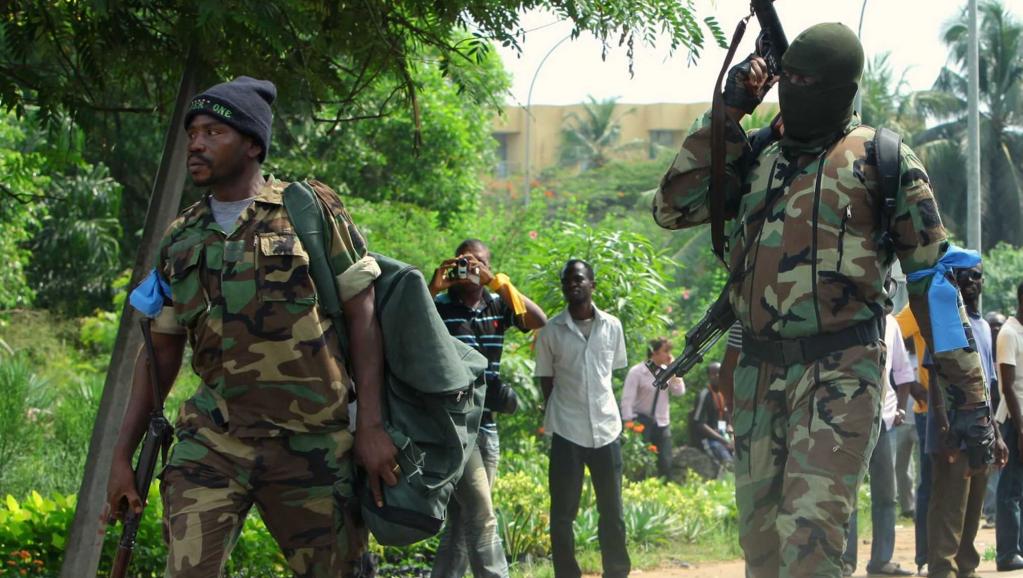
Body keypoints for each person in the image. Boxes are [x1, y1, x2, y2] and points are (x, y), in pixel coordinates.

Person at [653, 22, 995, 577]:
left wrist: (972, 404)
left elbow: (934, 285)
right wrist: (727, 115)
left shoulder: (884, 160)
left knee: (809, 543)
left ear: (841, 90)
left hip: (841, 371)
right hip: (759, 373)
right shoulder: (758, 152)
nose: (794, 89)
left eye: (807, 81)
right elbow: (672, 207)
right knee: (762, 550)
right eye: (787, 78)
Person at [103, 77, 394, 577]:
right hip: (214, 443)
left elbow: (363, 317)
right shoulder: (182, 237)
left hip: (312, 447)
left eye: (213, 132)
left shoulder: (308, 212)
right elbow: (160, 353)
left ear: (253, 144)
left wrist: (370, 425)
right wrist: (121, 456)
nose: (196, 142)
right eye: (192, 131)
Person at [428, 239, 547, 578]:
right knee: (482, 514)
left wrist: (496, 281)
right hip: (453, 424)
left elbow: (539, 320)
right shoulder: (439, 305)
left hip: (487, 425)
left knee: (463, 519)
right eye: (464, 262)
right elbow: (407, 323)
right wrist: (433, 285)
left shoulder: (498, 303)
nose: (471, 268)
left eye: (477, 262)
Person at [535, 259, 630, 578]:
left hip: (606, 429)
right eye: (566, 281)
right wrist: (559, 412)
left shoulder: (612, 326)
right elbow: (546, 380)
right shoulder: (551, 331)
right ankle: (567, 573)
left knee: (612, 511)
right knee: (563, 514)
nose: (572, 285)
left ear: (592, 284)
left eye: (578, 279)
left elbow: (610, 372)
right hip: (567, 430)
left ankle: (616, 571)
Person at [925, 263, 1007, 578]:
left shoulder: (985, 327)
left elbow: (987, 386)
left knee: (972, 509)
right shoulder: (945, 322)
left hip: (981, 430)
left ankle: (967, 570)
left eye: (977, 275)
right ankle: (942, 571)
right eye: (964, 275)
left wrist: (996, 434)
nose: (972, 281)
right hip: (952, 431)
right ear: (953, 281)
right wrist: (944, 427)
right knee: (949, 507)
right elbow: (933, 377)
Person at [842, 314, 915, 577]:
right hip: (849, 419)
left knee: (887, 494)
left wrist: (902, 411)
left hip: (884, 418)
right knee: (847, 493)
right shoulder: (848, 315)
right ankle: (845, 561)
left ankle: (881, 560)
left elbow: (903, 371)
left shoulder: (891, 323)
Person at [895, 306, 935, 573]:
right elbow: (888, 337)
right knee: (929, 485)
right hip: (928, 410)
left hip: (960, 408)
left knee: (954, 487)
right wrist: (910, 382)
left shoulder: (961, 305)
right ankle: (925, 557)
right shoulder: (919, 303)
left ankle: (949, 553)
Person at [620, 337, 686, 478]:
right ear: (654, 352)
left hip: (662, 422)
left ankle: (666, 489)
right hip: (641, 421)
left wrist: (674, 371)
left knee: (665, 460)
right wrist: (628, 423)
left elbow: (679, 392)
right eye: (665, 351)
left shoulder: (667, 371)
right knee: (639, 461)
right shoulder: (637, 372)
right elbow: (627, 400)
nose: (669, 355)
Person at [995, 283, 1023, 571]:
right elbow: (1008, 386)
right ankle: (1007, 553)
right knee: (1010, 489)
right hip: (1015, 421)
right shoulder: (1009, 333)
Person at [690, 362, 734, 466]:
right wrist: (723, 440)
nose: (717, 376)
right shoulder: (704, 395)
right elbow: (699, 424)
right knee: (727, 461)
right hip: (709, 440)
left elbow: (728, 419)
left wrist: (731, 435)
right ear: (709, 376)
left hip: (724, 436)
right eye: (713, 374)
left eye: (719, 373)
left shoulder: (725, 393)